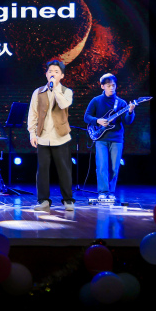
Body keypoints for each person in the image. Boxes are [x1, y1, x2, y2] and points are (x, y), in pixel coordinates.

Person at [27, 59, 75, 212]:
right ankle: (43, 201)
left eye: (56, 72)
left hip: (61, 137)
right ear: (46, 74)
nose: (52, 74)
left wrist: (55, 90)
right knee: (42, 170)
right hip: (43, 137)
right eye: (50, 72)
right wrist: (32, 133)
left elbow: (64, 104)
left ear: (62, 75)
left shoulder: (67, 91)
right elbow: (33, 114)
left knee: (64, 170)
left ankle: (68, 200)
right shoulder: (38, 92)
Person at [83, 73, 135, 203]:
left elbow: (127, 121)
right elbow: (86, 117)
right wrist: (98, 121)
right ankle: (103, 192)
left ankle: (111, 192)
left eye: (113, 85)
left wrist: (130, 111)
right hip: (101, 138)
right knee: (102, 166)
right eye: (108, 85)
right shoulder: (96, 100)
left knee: (114, 168)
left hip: (116, 138)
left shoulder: (121, 103)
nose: (111, 88)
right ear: (102, 86)